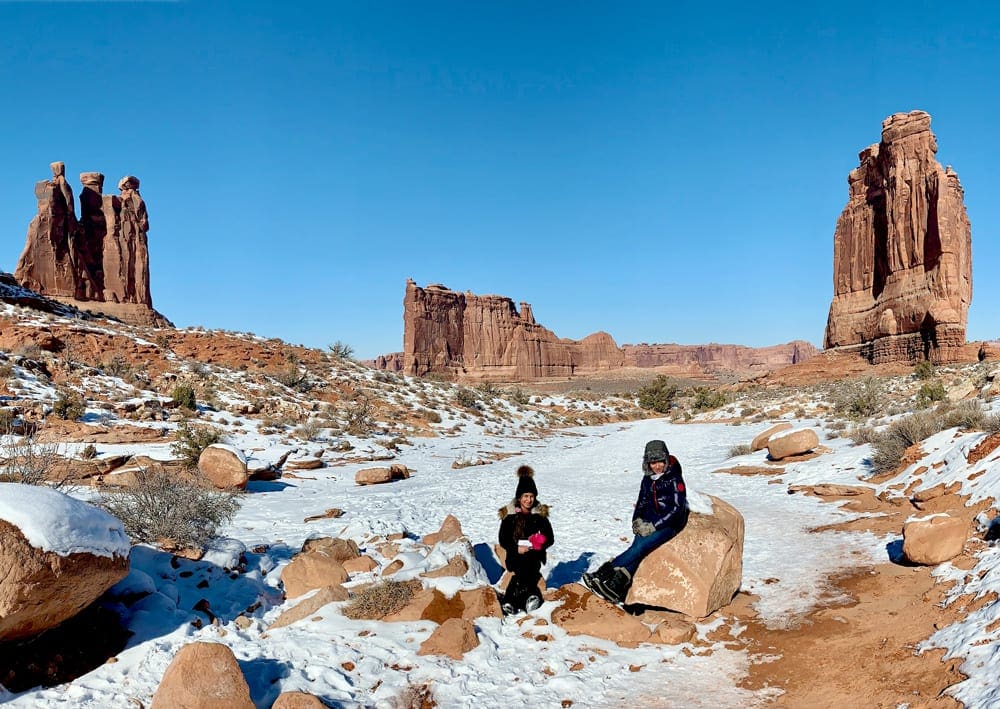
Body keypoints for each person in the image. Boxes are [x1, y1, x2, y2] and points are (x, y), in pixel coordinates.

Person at [582, 439, 688, 604]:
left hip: (669, 524)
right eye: (653, 462)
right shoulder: (647, 478)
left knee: (640, 547)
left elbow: (676, 509)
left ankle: (603, 573)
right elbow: (642, 502)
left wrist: (654, 526)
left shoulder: (674, 478)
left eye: (660, 461)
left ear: (666, 459)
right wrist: (637, 520)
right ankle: (615, 588)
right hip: (649, 520)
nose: (657, 466)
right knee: (637, 550)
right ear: (648, 463)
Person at [497, 465, 554, 615]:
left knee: (527, 568)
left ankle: (510, 601)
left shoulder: (539, 515)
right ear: (519, 498)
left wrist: (539, 542)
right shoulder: (509, 515)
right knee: (522, 569)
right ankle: (531, 596)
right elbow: (503, 539)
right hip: (515, 554)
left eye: (531, 496)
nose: (529, 500)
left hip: (534, 554)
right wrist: (516, 548)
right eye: (525, 496)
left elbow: (550, 538)